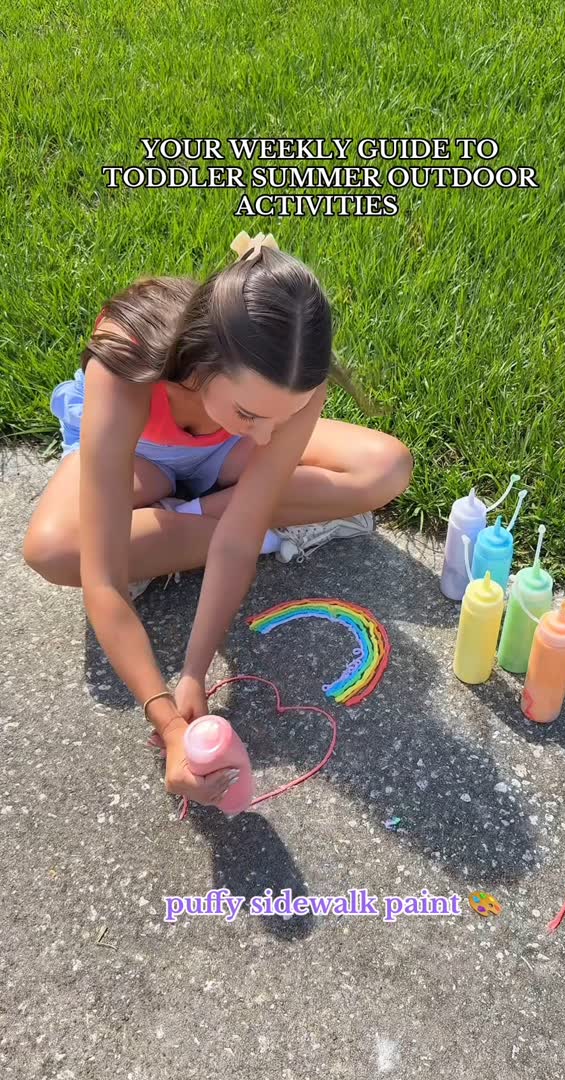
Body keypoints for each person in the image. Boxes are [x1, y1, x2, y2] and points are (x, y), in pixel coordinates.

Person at [23, 231, 413, 811]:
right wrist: (168, 721)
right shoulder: (124, 365)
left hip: (224, 458)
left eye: (282, 417)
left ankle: (184, 520)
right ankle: (204, 515)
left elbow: (238, 536)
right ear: (201, 364)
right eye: (251, 412)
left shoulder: (290, 380)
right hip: (142, 459)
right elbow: (102, 582)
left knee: (385, 468)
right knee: (56, 550)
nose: (268, 436)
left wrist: (194, 671)